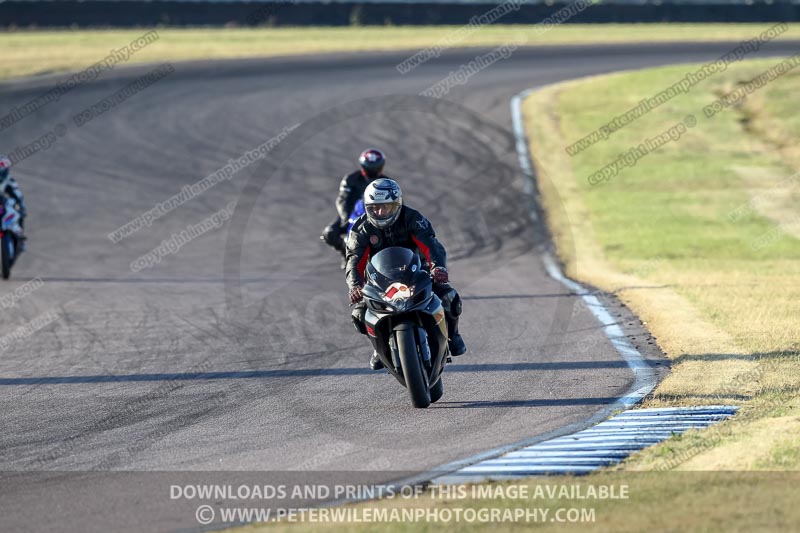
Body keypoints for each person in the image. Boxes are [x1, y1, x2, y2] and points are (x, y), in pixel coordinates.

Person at [345, 178, 467, 370]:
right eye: (374, 208)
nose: (380, 212)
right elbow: (354, 259)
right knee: (359, 314)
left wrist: (438, 268)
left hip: (416, 272)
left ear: (397, 204)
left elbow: (430, 245)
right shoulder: (361, 229)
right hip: (379, 280)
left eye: (385, 207)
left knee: (448, 296)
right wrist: (355, 285)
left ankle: (453, 335)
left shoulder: (412, 218)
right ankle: (379, 348)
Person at [320, 148, 389, 268]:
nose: (372, 173)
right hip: (351, 215)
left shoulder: (387, 182)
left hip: (378, 217)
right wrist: (345, 217)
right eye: (369, 169)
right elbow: (342, 199)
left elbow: (398, 202)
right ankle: (345, 253)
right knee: (329, 233)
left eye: (375, 168)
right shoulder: (351, 179)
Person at [0, 156, 26, 251]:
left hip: (4, 205)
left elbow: (18, 195)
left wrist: (20, 207)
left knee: (19, 210)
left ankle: (20, 236)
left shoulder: (10, 181)